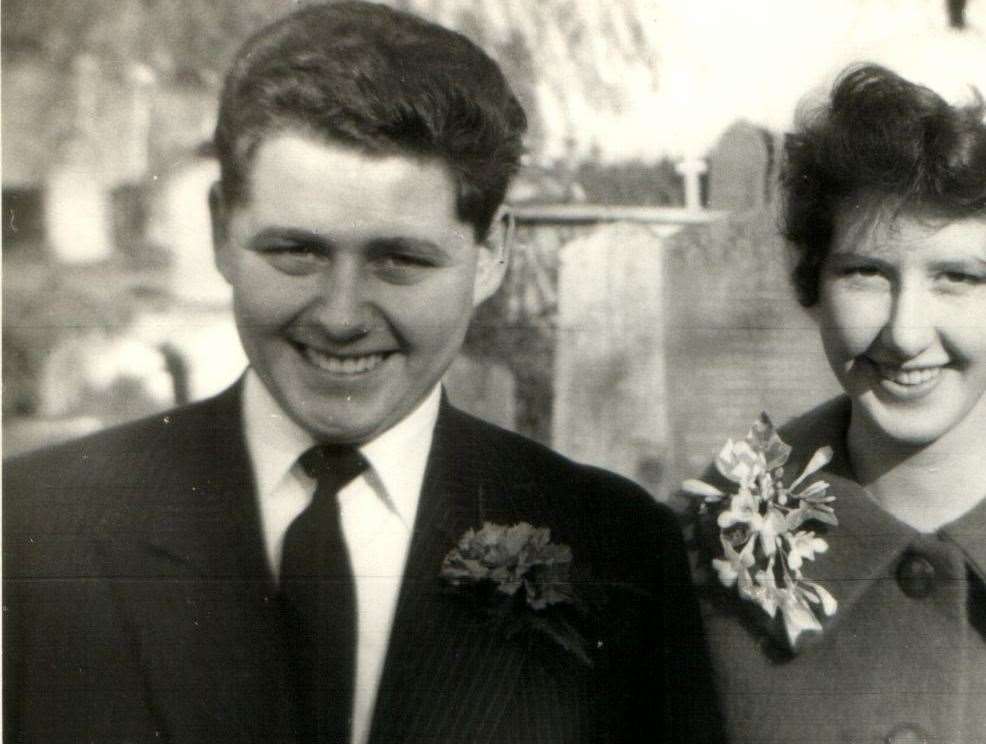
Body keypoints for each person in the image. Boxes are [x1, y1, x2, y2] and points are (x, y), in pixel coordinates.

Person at [3, 3, 722, 742]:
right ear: (222, 231)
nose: (342, 315)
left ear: (491, 254)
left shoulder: (618, 548)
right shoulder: (34, 530)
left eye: (400, 260)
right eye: (296, 251)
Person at [691, 64, 986, 743]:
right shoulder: (695, 555)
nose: (906, 334)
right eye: (865, 273)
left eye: (957, 278)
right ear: (813, 286)